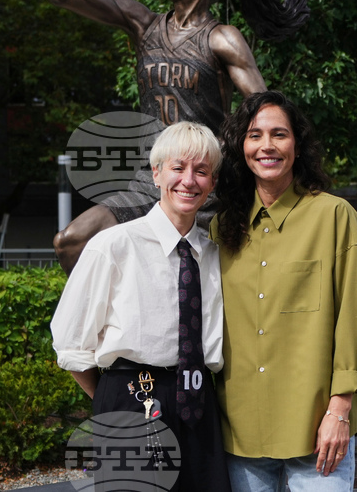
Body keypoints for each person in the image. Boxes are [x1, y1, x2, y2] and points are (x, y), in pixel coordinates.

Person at [0, 0, 310, 272]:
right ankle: (107, 332)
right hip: (150, 180)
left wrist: (265, 182)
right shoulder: (142, 24)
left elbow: (265, 116)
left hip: (203, 182)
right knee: (71, 242)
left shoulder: (222, 39)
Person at [211, 91, 357, 492]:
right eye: (254, 135)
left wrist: (340, 409)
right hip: (240, 431)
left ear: (298, 145)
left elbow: (356, 319)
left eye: (279, 134)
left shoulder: (335, 216)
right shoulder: (223, 229)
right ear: (241, 146)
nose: (266, 146)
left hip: (317, 430)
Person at [51, 121, 230, 492]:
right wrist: (114, 398)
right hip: (131, 395)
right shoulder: (113, 245)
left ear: (212, 183)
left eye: (201, 171)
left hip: (200, 401)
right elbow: (70, 343)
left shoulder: (213, 254)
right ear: (157, 173)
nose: (189, 181)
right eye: (178, 168)